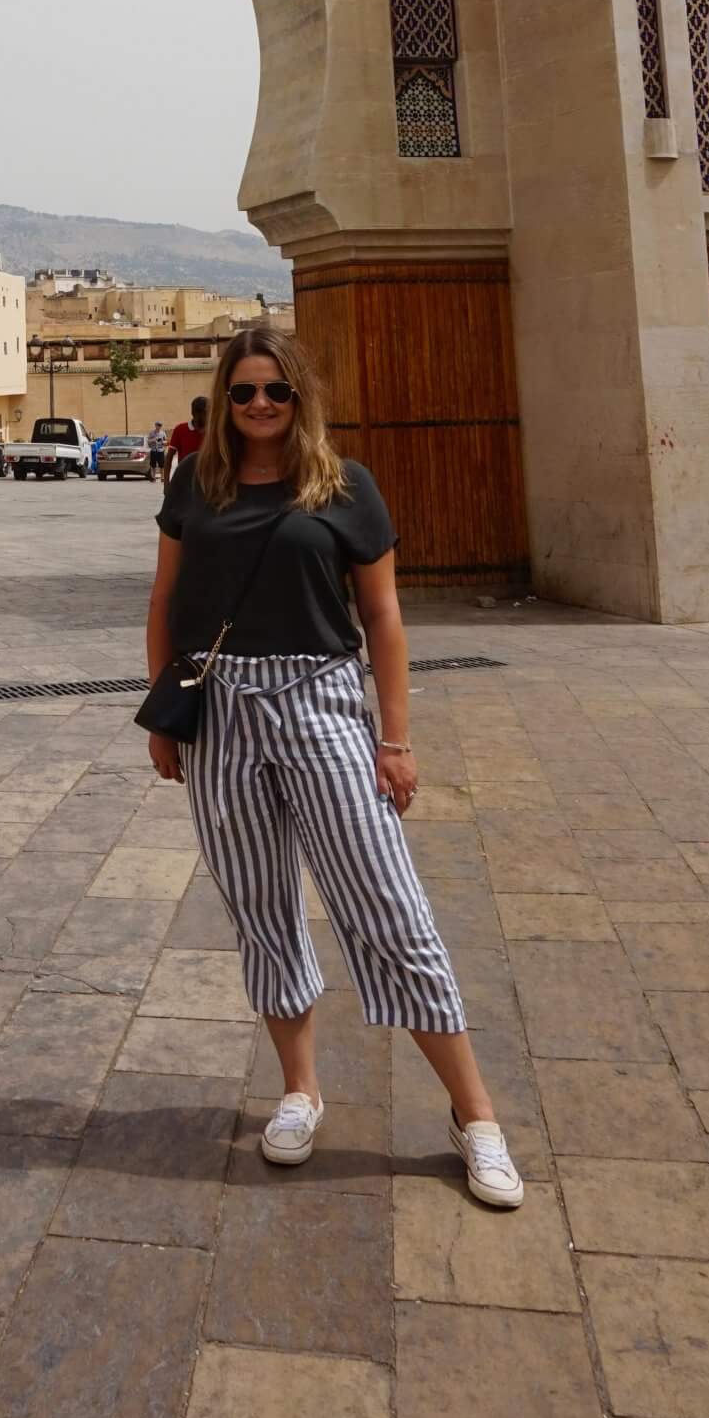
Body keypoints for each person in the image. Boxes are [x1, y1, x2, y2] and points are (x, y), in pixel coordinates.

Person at [143, 327, 523, 1210]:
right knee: (260, 906)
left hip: (322, 706)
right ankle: (301, 1092)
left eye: (276, 391)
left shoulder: (345, 488)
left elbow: (383, 619)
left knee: (390, 906)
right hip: (221, 718)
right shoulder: (195, 485)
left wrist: (395, 739)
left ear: (301, 396)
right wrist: (163, 719)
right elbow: (165, 600)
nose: (261, 406)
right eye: (243, 393)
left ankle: (477, 1119)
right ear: (224, 399)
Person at [166, 395, 206, 474]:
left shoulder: (214, 431)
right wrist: (166, 485)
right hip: (185, 480)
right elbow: (169, 457)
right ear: (195, 414)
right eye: (206, 413)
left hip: (208, 480)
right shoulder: (180, 429)